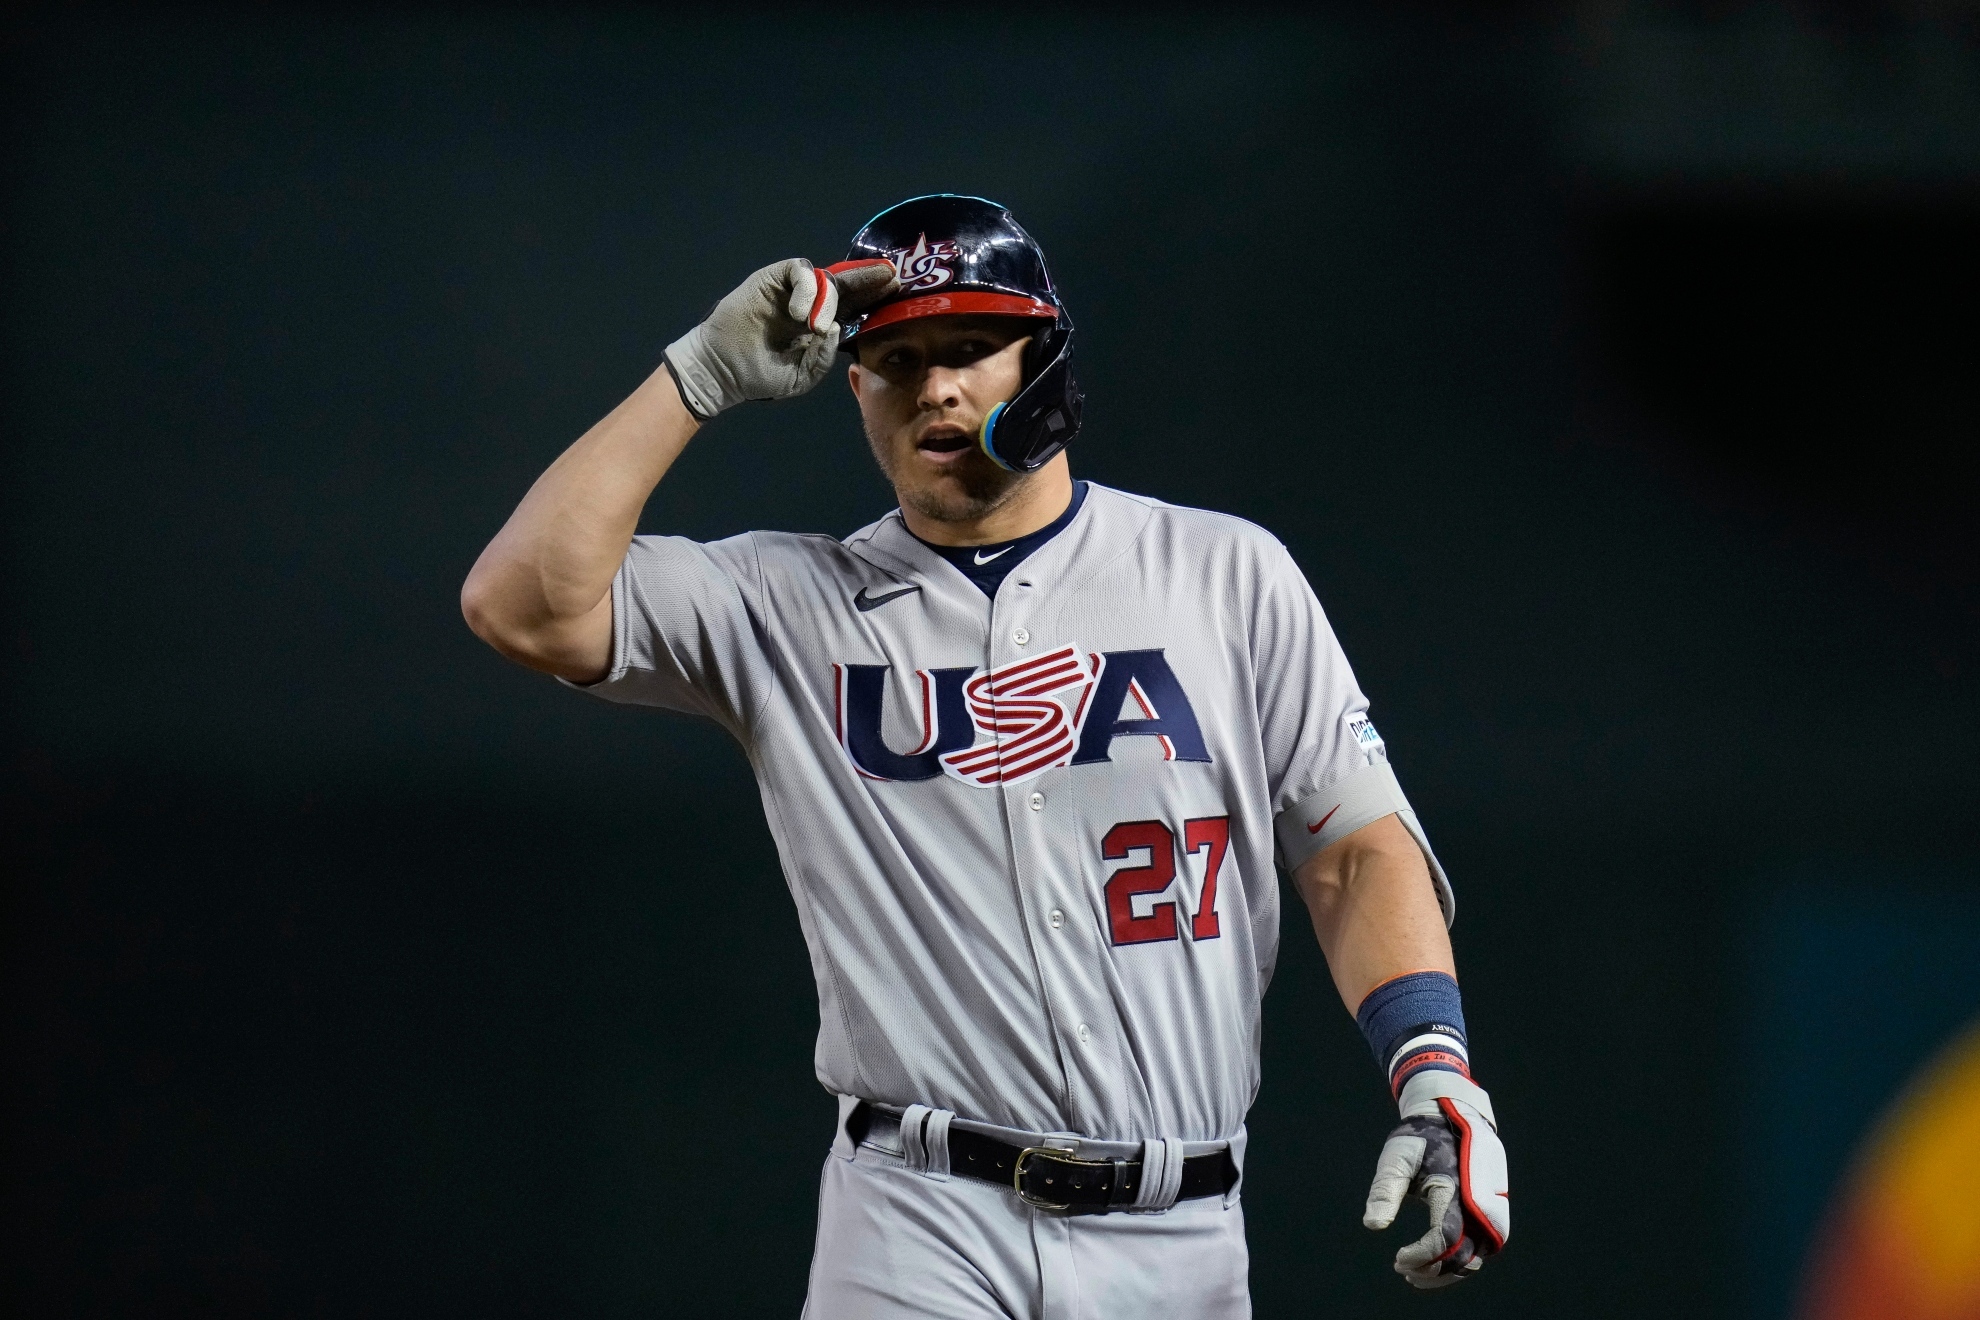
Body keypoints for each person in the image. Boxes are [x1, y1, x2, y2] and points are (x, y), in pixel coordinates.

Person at [460, 194, 1509, 1318]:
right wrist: (695, 379)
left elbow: (1354, 850)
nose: (937, 388)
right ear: (853, 387)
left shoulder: (1224, 575)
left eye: (970, 346)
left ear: (1047, 359)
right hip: (918, 1223)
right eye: (896, 358)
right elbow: (519, 604)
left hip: (1181, 1229)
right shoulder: (785, 600)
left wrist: (1434, 1069)